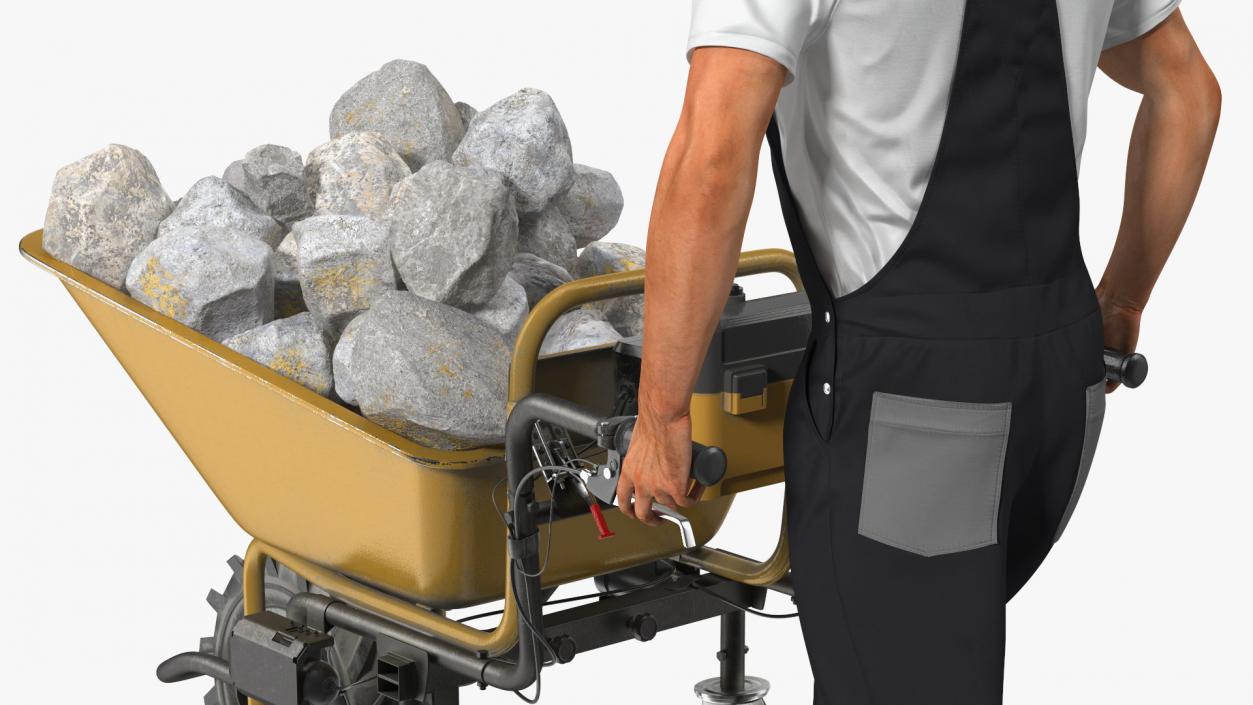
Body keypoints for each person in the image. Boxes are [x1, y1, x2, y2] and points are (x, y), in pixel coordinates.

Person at [617, 1, 1220, 702]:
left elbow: (711, 160)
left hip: (908, 403)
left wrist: (660, 415)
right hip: (1062, 393)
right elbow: (1187, 89)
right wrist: (1120, 301)